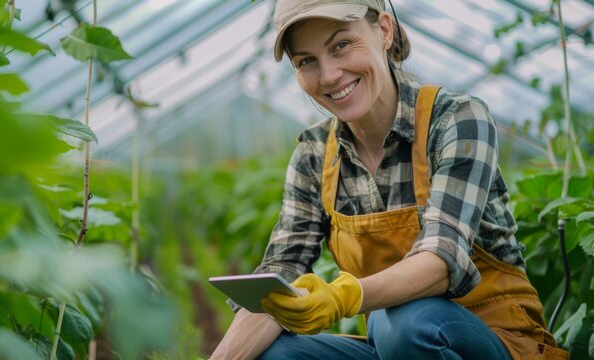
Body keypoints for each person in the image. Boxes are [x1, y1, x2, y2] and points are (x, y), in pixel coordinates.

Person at [211, 0, 569, 359]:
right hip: (393, 346)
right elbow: (278, 278)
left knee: (404, 320)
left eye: (341, 45)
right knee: (275, 355)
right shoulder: (314, 154)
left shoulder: (455, 120)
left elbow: (442, 259)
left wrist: (343, 296)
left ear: (384, 30)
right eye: (307, 61)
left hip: (497, 341)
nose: (330, 75)